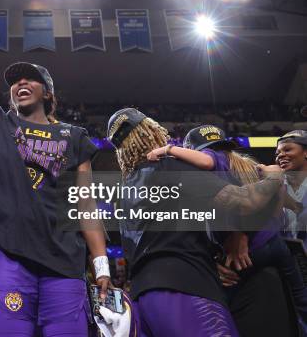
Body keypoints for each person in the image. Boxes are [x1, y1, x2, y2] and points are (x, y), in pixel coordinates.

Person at [0, 0, 110, 336]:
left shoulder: (74, 136)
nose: (21, 83)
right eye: (15, 81)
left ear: (48, 92)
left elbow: (85, 204)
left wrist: (101, 263)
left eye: (31, 80)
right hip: (10, 256)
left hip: (65, 263)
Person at [107, 108, 284, 337]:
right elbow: (245, 202)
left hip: (143, 298)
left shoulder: (123, 193)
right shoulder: (173, 168)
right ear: (150, 130)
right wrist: (275, 177)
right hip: (186, 288)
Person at [149, 124, 307, 335]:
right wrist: (242, 233)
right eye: (279, 151)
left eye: (288, 149)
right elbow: (275, 205)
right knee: (300, 298)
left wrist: (168, 149)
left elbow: (208, 164)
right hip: (274, 246)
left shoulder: (207, 165)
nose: (280, 155)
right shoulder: (251, 168)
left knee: (219, 293)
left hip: (251, 259)